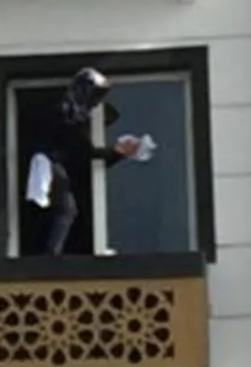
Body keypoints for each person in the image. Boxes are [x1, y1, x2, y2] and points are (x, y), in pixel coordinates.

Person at [25, 66, 154, 256]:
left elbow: (83, 152)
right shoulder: (65, 110)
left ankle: (51, 253)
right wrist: (116, 150)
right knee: (65, 209)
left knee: (66, 209)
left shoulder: (72, 111)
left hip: (56, 161)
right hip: (49, 161)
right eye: (95, 95)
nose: (95, 102)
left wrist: (115, 152)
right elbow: (83, 149)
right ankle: (50, 256)